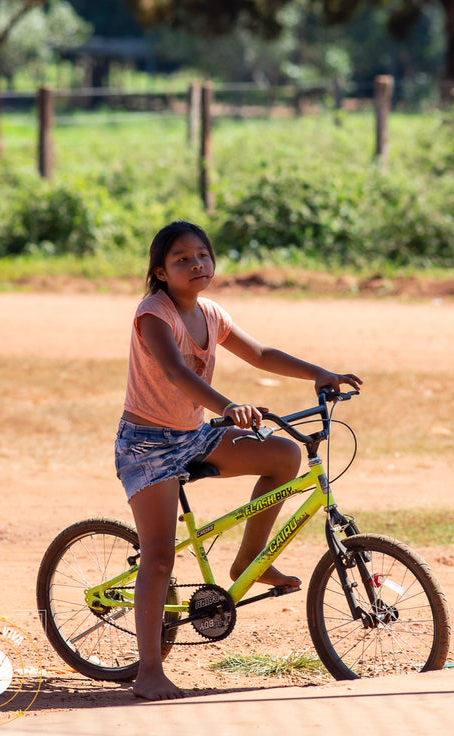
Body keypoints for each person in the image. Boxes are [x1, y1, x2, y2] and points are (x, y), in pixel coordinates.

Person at [115, 220, 362, 701]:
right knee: (160, 554)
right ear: (161, 273)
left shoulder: (210, 312)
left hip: (192, 435)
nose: (196, 264)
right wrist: (227, 407)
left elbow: (261, 353)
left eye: (202, 255)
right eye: (182, 259)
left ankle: (249, 558)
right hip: (147, 444)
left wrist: (320, 373)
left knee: (285, 454)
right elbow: (174, 371)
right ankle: (148, 671)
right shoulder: (153, 314)